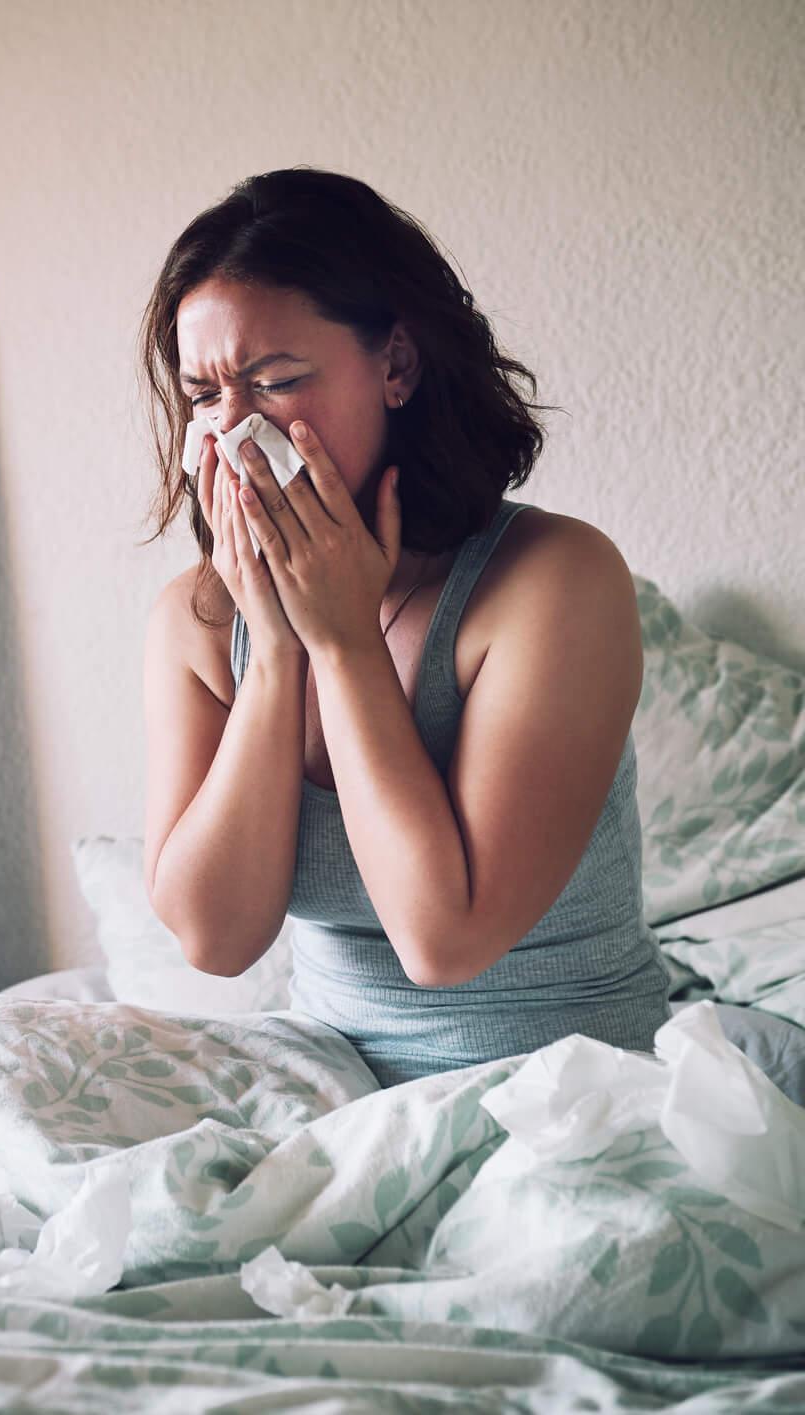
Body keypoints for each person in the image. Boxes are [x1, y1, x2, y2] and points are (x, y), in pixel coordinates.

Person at [138, 167, 670, 1088]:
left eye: (274, 383)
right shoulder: (199, 617)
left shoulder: (554, 582)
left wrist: (342, 642)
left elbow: (443, 937)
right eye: (204, 395)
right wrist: (275, 653)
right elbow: (214, 940)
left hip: (560, 1097)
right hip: (334, 1100)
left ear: (396, 366)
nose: (231, 434)